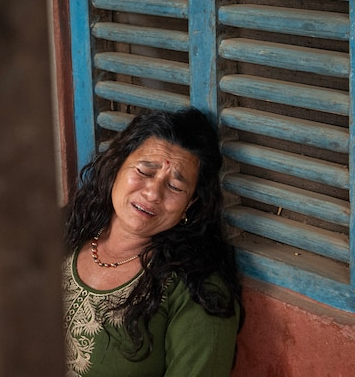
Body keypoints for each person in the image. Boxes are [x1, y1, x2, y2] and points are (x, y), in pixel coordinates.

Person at [63, 108, 243, 377]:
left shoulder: (198, 292)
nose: (153, 192)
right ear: (117, 166)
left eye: (175, 187)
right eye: (146, 171)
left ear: (189, 205)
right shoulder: (66, 232)